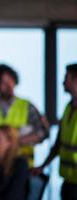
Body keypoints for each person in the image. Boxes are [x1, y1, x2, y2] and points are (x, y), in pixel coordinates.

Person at [0, 64, 49, 167]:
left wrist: (14, 142)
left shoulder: (27, 106)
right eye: (3, 82)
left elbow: (44, 133)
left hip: (25, 165)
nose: (9, 85)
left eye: (11, 80)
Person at [32, 64, 77, 199]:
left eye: (66, 78)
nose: (63, 82)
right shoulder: (68, 108)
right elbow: (59, 144)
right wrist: (43, 166)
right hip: (69, 181)